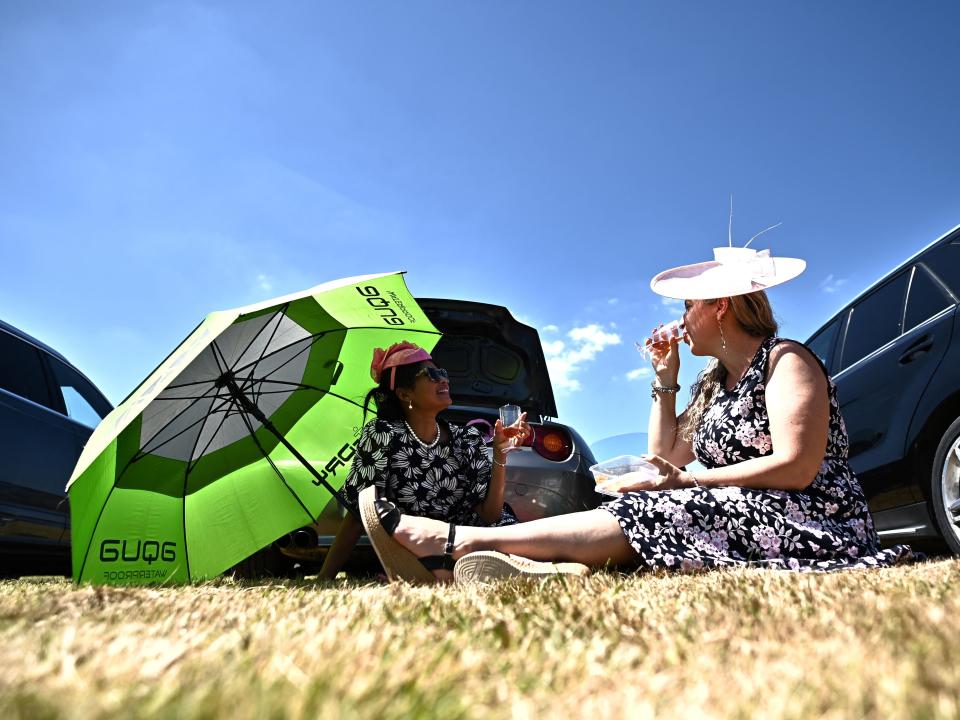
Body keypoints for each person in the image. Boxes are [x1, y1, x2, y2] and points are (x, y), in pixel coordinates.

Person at [358, 245, 918, 583]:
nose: (681, 319)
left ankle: (452, 544)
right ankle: (531, 567)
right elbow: (664, 458)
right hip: (743, 512)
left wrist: (691, 480)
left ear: (720, 307)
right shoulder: (714, 383)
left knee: (673, 512)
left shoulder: (786, 360)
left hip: (810, 522)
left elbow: (796, 468)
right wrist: (665, 380)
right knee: (659, 506)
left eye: (688, 307)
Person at [318, 341, 529, 580]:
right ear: (404, 393)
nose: (443, 380)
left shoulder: (467, 439)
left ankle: (522, 564)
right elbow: (359, 514)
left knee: (517, 534)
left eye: (442, 373)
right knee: (499, 549)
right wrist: (325, 578)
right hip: (423, 547)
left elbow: (490, 516)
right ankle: (497, 564)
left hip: (474, 535)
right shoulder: (384, 435)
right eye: (431, 374)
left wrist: (500, 454)